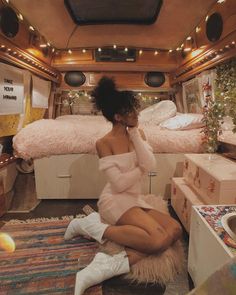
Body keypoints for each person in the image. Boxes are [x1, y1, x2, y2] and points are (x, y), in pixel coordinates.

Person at [64, 77, 182, 295]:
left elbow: (150, 163)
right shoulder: (103, 143)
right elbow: (118, 183)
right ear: (118, 117)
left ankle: (91, 228)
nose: (138, 115)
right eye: (132, 112)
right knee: (156, 239)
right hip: (115, 199)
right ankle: (96, 238)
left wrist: (135, 134)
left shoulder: (138, 133)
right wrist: (141, 169)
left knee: (175, 229)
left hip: (134, 197)